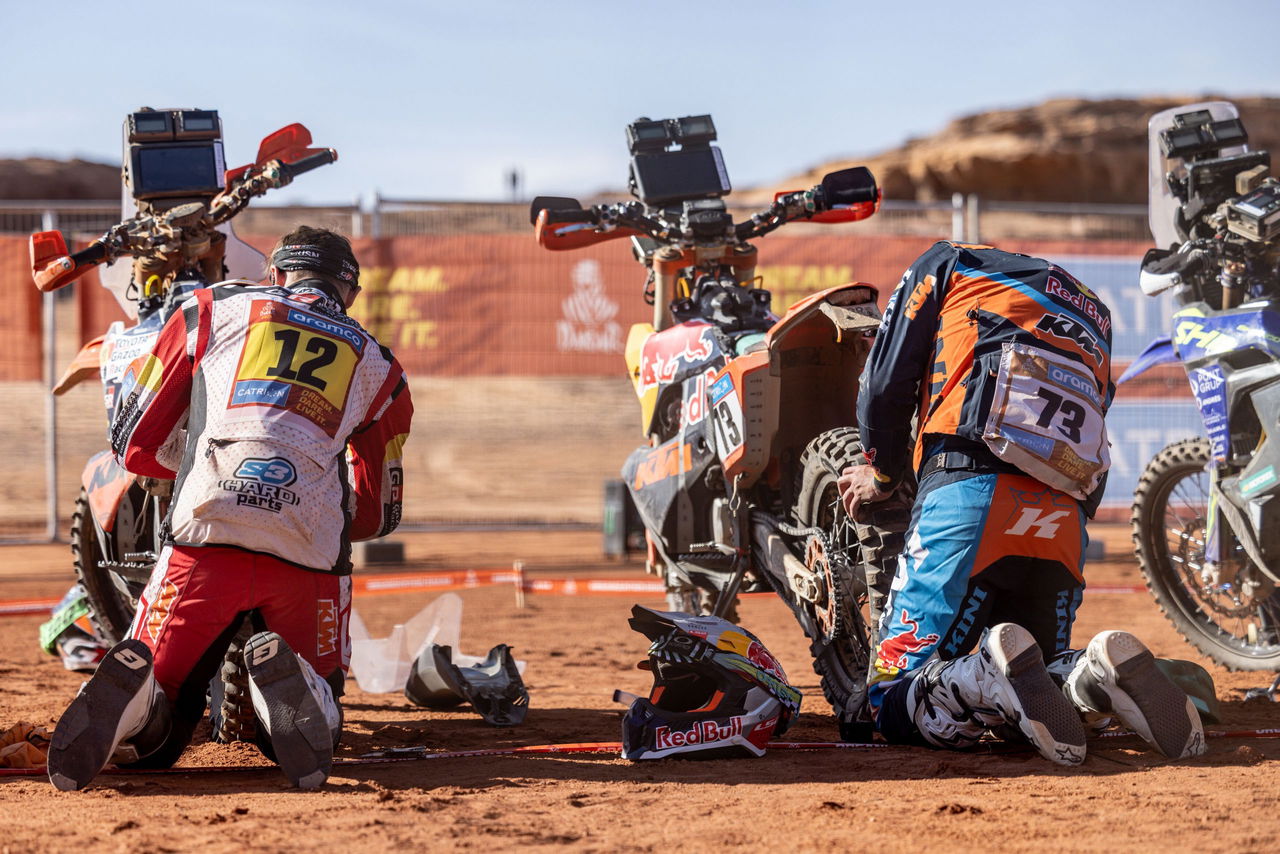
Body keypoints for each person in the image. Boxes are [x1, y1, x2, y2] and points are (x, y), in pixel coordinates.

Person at [47, 226, 413, 790]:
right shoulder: (380, 367)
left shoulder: (211, 308)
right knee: (320, 720)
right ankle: (300, 690)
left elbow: (131, 438)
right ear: (350, 293)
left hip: (204, 535)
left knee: (161, 725)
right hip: (307, 555)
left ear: (276, 276)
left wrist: (195, 468)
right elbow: (379, 512)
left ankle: (139, 705)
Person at [839, 240, 1204, 765]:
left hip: (968, 491)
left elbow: (884, 381)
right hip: (1063, 515)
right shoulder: (1094, 310)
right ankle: (1093, 677)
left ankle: (986, 673)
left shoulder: (948, 262)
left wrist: (883, 471)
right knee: (1035, 690)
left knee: (891, 697)